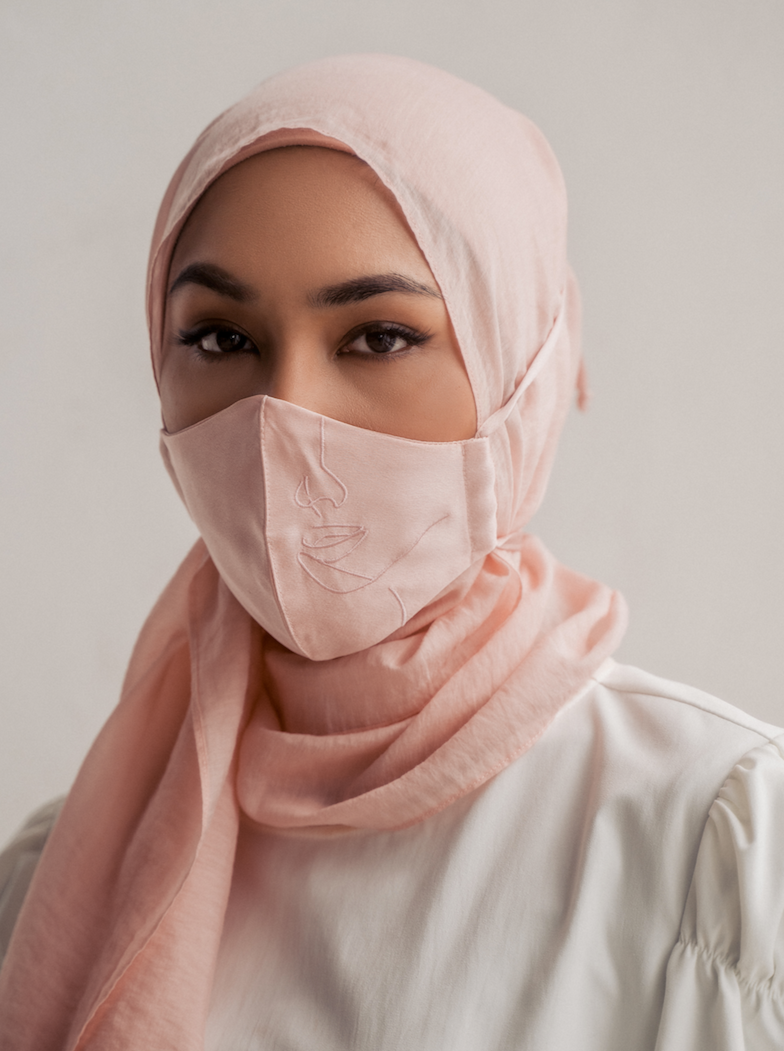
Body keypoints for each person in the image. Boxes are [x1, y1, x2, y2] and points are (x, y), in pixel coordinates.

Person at [1, 53, 783, 1051]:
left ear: (524, 375)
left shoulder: (712, 845)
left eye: (377, 337)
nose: (285, 417)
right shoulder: (66, 869)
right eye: (221, 339)